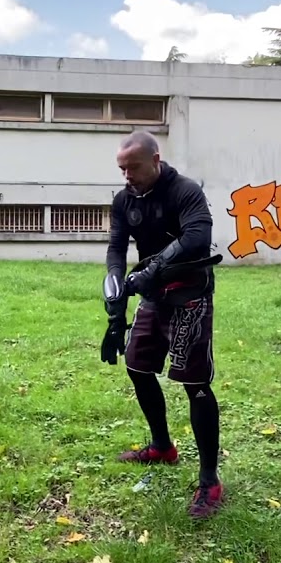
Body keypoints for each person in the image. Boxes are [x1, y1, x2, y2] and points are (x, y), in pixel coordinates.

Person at [103, 130, 224, 518]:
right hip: (153, 298)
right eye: (122, 169)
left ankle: (209, 481)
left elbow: (196, 237)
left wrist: (153, 269)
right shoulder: (123, 201)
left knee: (195, 384)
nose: (127, 176)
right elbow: (116, 250)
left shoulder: (185, 191)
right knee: (138, 367)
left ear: (155, 160)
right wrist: (115, 298)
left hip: (189, 295)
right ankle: (162, 447)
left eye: (133, 168)